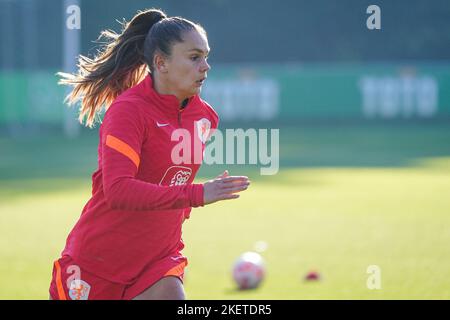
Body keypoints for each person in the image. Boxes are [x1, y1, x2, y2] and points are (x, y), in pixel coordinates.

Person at [49, 8, 250, 300]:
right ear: (161, 62)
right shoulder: (128, 111)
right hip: (96, 267)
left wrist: (180, 214)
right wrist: (196, 195)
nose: (205, 66)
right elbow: (118, 191)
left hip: (156, 264)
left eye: (206, 56)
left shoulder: (205, 119)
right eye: (194, 57)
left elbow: (172, 183)